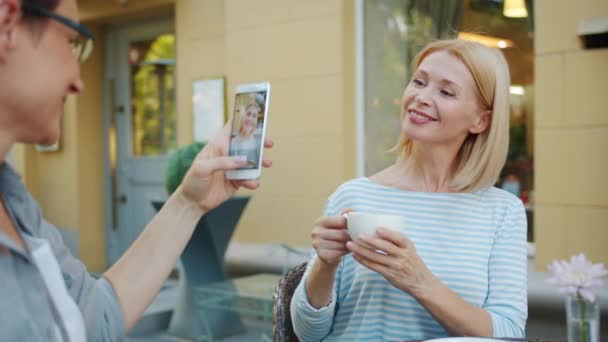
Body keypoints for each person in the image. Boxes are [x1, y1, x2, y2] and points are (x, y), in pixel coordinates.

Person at [0, 0, 273, 341]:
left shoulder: (16, 205)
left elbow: (96, 317)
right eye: (72, 41)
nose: (77, 81)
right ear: (7, 22)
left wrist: (189, 203)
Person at [291, 39, 527, 341]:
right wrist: (325, 265)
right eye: (419, 82)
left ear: (481, 121)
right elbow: (306, 333)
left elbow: (508, 331)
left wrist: (420, 282)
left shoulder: (502, 211)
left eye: (446, 91)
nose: (421, 97)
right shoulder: (353, 196)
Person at [229, 100, 261, 168]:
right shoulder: (233, 142)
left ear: (256, 121)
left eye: (254, 116)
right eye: (248, 114)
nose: (250, 118)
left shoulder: (256, 143)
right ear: (243, 116)